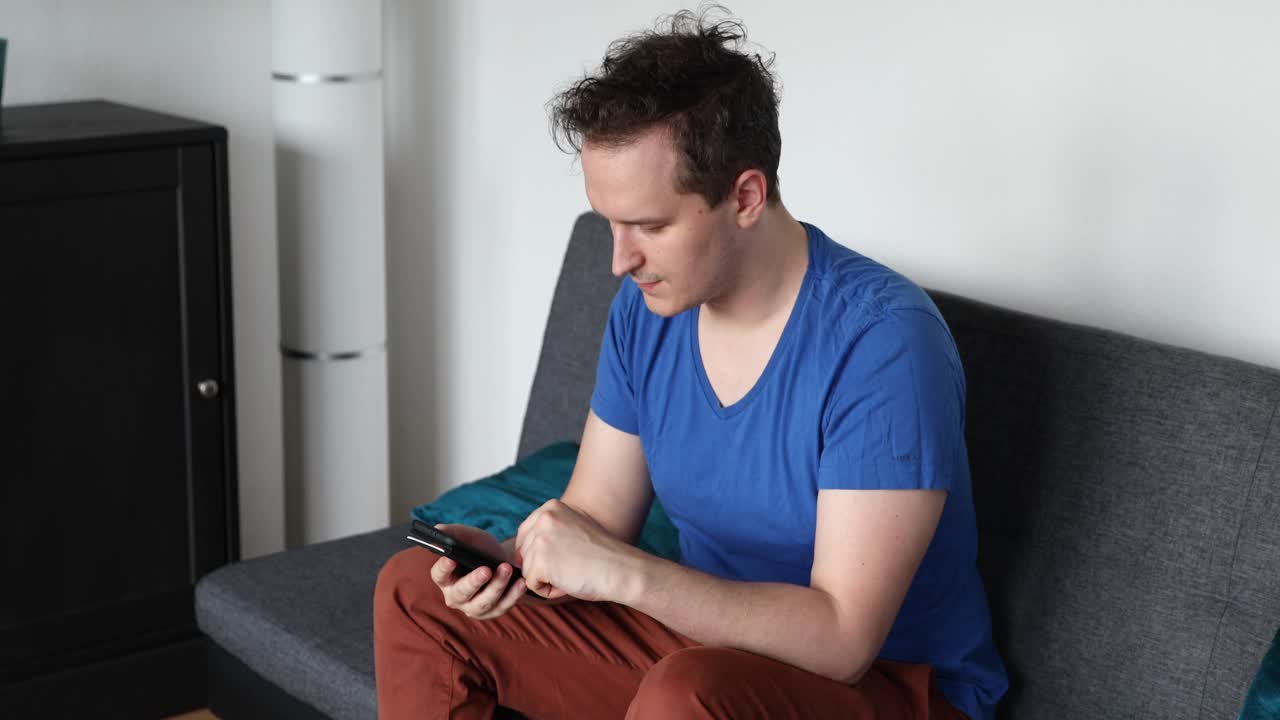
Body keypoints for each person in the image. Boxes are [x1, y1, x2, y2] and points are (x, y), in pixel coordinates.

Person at [374, 7, 1008, 719]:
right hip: (699, 652)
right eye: (611, 222)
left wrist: (629, 577)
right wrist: (506, 561)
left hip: (888, 688)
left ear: (745, 196)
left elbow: (842, 639)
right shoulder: (649, 311)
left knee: (689, 694)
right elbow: (596, 518)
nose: (620, 259)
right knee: (415, 591)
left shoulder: (883, 344)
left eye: (649, 226)